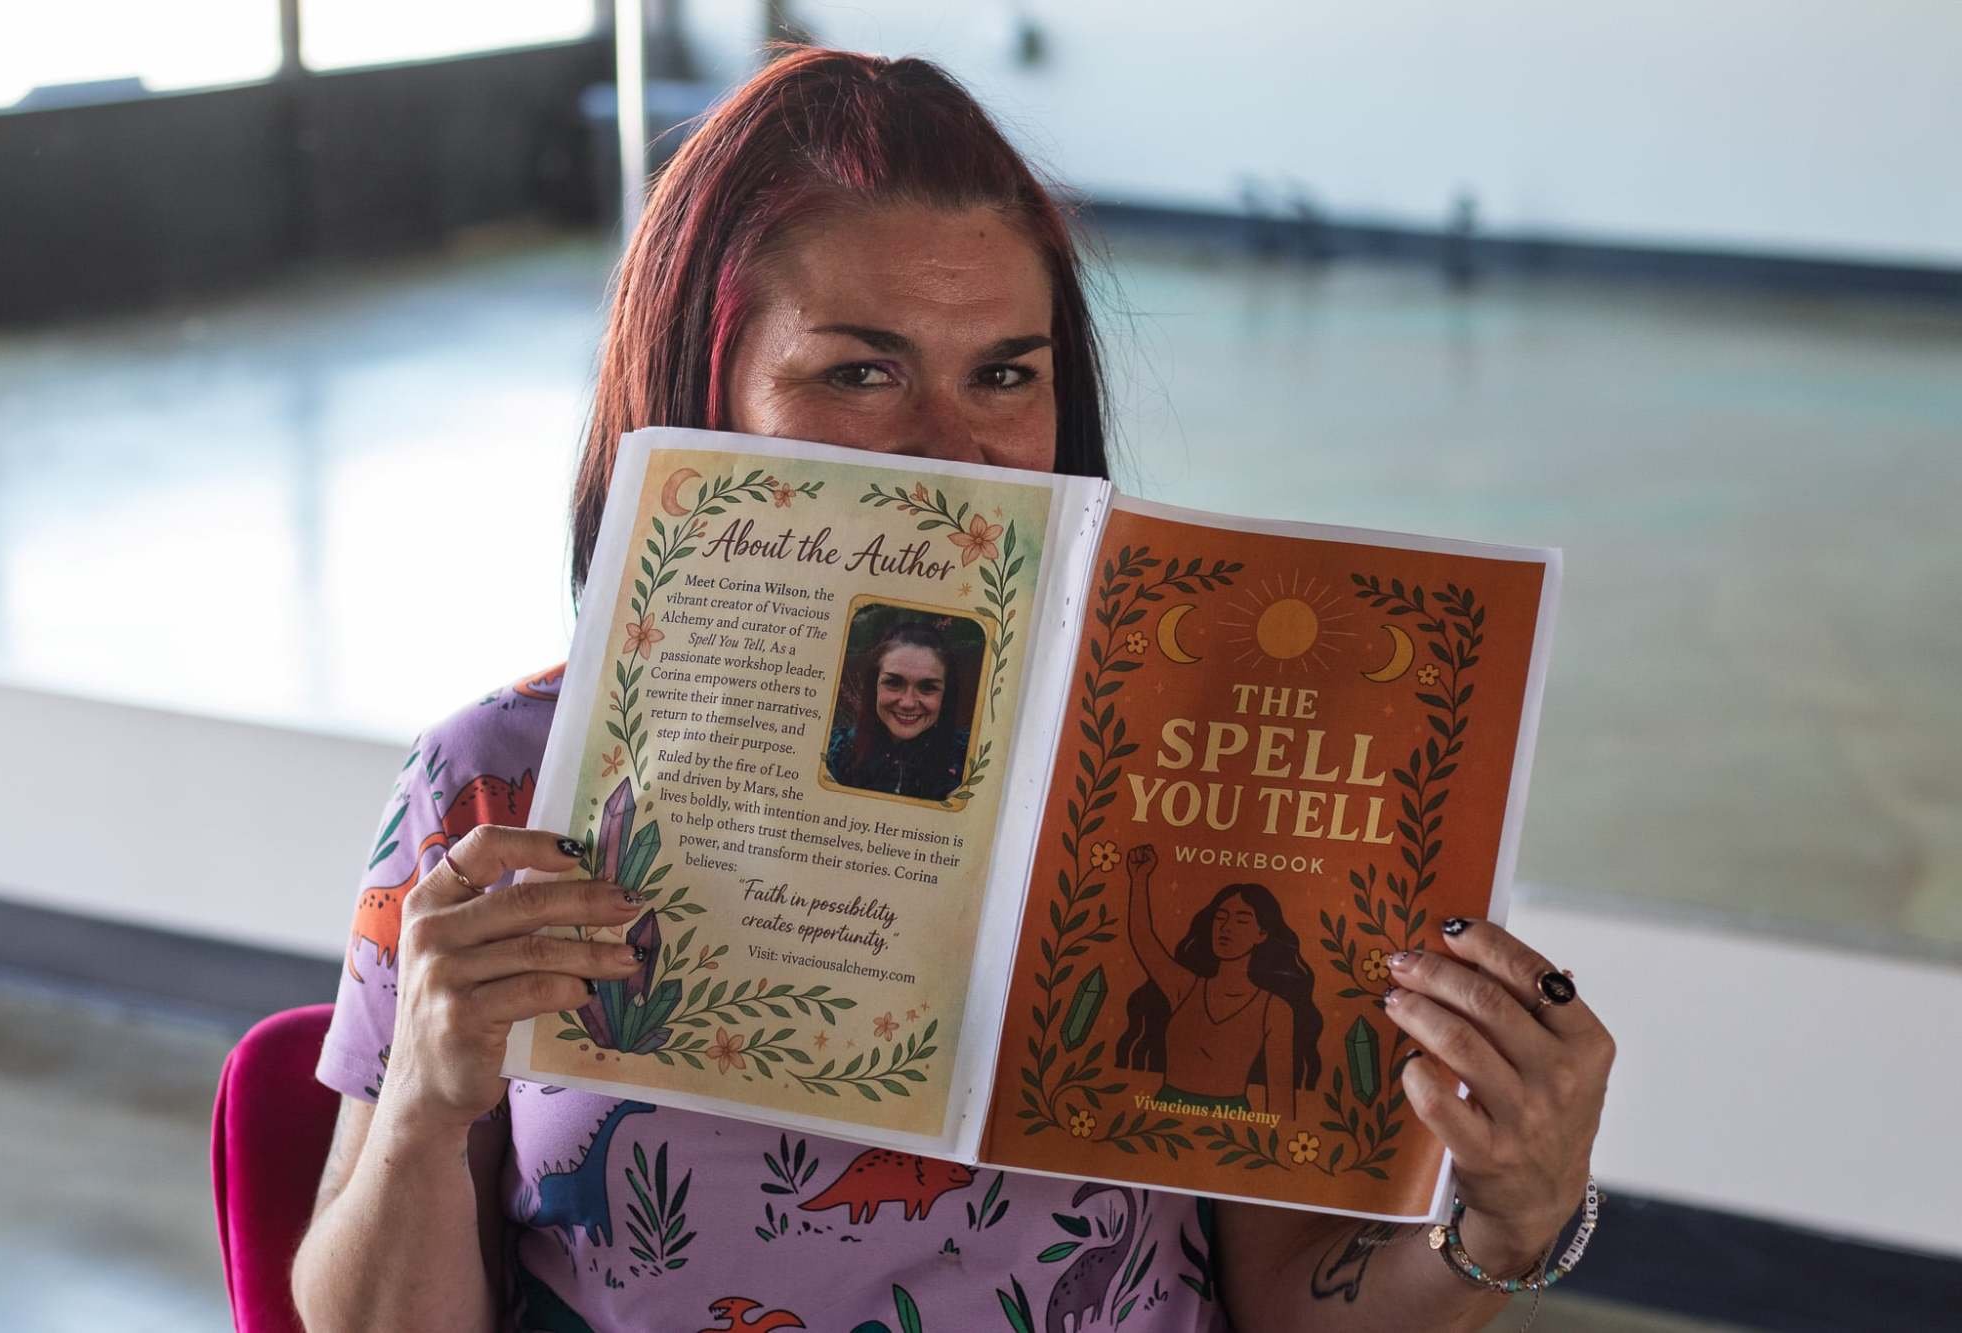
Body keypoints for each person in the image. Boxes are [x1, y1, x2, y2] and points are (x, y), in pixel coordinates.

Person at [292, 46, 1616, 1333]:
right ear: (704, 390)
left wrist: (1505, 1225)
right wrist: (420, 1101)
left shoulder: (1164, 759)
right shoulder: (501, 787)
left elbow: (1294, 1305)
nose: (952, 448)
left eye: (1005, 373)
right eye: (858, 371)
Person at [1117, 847, 1323, 1124]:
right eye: (1220, 917)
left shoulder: (1274, 1010)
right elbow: (1143, 940)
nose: (1226, 927)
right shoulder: (1185, 988)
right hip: (1162, 1118)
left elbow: (1281, 1104)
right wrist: (1139, 879)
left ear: (1262, 934)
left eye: (1241, 920)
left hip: (1232, 1128)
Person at [825, 618, 972, 800]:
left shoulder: (971, 762)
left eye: (927, 687)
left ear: (946, 695)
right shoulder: (834, 752)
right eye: (893, 683)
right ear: (874, 687)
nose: (908, 703)